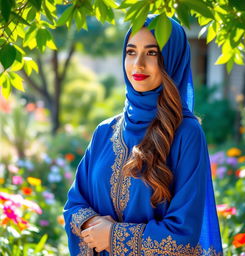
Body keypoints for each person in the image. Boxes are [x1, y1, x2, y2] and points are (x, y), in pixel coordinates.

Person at [63, 14, 223, 256]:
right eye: (130, 51)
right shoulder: (105, 131)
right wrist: (89, 226)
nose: (138, 64)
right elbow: (75, 202)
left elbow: (184, 233)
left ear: (171, 59)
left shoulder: (186, 134)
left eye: (152, 53)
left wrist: (113, 236)